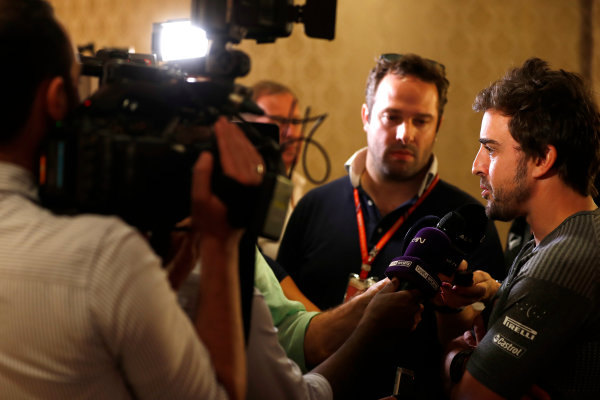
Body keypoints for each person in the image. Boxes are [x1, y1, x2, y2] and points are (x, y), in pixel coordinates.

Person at [0, 1, 260, 399]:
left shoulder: (107, 263)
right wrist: (218, 244)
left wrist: (160, 283)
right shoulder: (104, 257)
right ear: (55, 98)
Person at [277, 53, 506, 398]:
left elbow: (480, 347)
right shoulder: (313, 206)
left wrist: (453, 304)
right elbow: (276, 326)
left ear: (438, 125)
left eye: (421, 121)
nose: (405, 133)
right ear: (367, 116)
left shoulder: (470, 219)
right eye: (392, 117)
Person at [440, 57, 600, 399]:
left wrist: (456, 358)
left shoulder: (564, 258)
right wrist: (496, 293)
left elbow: (469, 396)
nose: (475, 166)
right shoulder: (555, 238)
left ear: (542, 159)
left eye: (491, 150)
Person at [249, 80, 319, 311]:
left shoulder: (305, 193)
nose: (291, 132)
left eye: (296, 122)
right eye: (278, 122)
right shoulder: (239, 193)